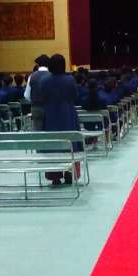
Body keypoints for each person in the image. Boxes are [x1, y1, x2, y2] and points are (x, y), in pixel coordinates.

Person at [41, 54, 81, 186]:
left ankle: (54, 176)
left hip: (51, 114)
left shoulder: (44, 80)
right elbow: (75, 96)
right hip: (67, 113)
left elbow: (42, 97)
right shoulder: (69, 80)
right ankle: (69, 173)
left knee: (52, 144)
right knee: (70, 143)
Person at [24, 54, 50, 130]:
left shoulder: (31, 76)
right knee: (50, 131)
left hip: (36, 108)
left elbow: (26, 95)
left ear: (38, 65)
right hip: (49, 107)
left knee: (37, 132)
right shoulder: (51, 75)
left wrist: (34, 100)